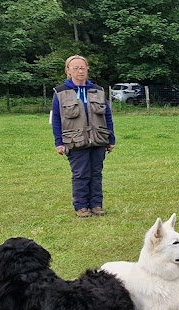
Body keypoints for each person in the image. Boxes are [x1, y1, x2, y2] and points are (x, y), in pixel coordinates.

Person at [51, 55, 115, 218]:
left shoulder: (98, 90)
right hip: (74, 141)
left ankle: (96, 205)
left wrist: (111, 139)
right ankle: (81, 207)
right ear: (68, 71)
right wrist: (59, 142)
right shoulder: (60, 92)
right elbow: (56, 118)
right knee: (80, 174)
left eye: (83, 68)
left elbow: (108, 115)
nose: (80, 71)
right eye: (76, 68)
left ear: (87, 69)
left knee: (96, 174)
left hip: (99, 139)